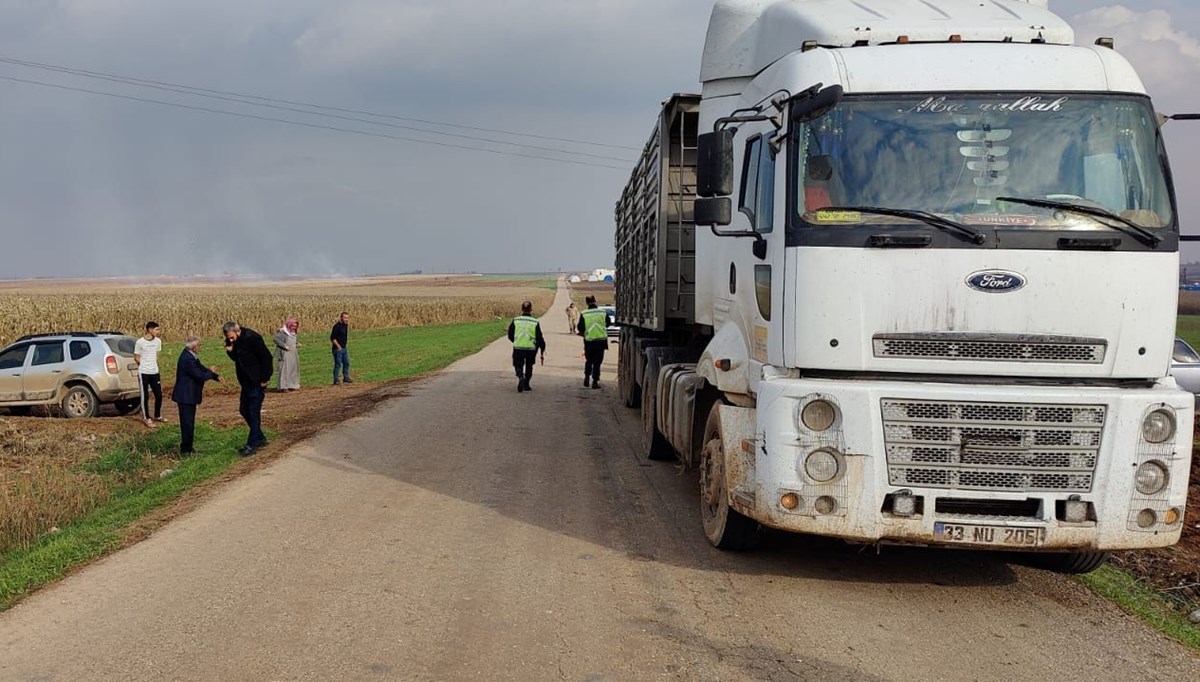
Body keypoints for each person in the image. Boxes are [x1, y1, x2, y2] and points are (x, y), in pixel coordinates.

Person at [223, 321, 273, 456]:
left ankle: (251, 445)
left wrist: (265, 378)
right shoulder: (233, 341)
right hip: (245, 382)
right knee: (244, 410)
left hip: (257, 381)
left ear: (237, 331)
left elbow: (267, 358)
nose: (229, 340)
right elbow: (237, 358)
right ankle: (260, 438)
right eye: (228, 337)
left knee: (253, 412)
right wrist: (230, 351)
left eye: (231, 337)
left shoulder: (253, 338)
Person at [170, 335, 222, 455]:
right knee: (187, 423)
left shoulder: (191, 356)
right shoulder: (187, 359)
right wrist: (211, 372)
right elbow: (200, 375)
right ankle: (186, 449)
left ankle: (188, 447)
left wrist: (215, 376)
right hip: (185, 396)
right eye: (199, 345)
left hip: (189, 395)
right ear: (193, 347)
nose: (200, 347)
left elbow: (201, 368)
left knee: (189, 422)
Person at [507, 300, 545, 393]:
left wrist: (515, 340)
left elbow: (510, 334)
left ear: (522, 309)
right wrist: (542, 347)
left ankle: (520, 376)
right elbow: (539, 336)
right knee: (529, 366)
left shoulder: (516, 320)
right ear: (531, 309)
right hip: (531, 348)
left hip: (518, 347)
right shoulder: (535, 321)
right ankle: (527, 384)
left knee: (517, 365)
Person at [134, 321, 165, 428]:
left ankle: (157, 415)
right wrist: (143, 365)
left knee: (159, 395)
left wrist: (154, 365)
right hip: (144, 372)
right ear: (149, 330)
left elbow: (157, 355)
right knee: (145, 396)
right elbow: (136, 357)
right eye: (156, 329)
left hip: (154, 371)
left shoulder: (158, 341)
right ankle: (146, 418)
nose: (158, 332)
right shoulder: (140, 342)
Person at [578, 296, 612, 389]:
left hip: (589, 342)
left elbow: (580, 327)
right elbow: (608, 323)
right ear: (595, 301)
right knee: (597, 362)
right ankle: (595, 382)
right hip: (601, 342)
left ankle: (586, 377)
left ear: (587, 303)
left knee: (589, 361)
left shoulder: (584, 313)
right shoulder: (602, 312)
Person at [273, 318, 301, 391]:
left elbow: (294, 340)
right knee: (284, 370)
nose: (294, 328)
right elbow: (276, 339)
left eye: (295, 326)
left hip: (293, 353)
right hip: (284, 353)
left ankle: (292, 385)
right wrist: (284, 346)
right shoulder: (283, 332)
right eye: (293, 326)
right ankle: (283, 387)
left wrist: (297, 343)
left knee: (292, 369)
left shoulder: (293, 332)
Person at [330, 311, 352, 385]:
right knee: (338, 364)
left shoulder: (345, 325)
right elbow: (332, 338)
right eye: (345, 318)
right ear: (341, 318)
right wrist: (338, 346)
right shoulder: (337, 326)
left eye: (347, 318)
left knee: (346, 363)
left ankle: (346, 378)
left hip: (344, 348)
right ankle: (336, 380)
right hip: (337, 349)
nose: (346, 319)